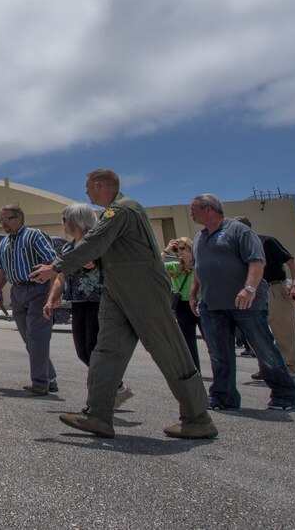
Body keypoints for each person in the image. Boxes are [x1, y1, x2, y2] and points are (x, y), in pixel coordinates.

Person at [31, 170, 215, 440]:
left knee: (169, 350)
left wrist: (56, 266)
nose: (86, 193)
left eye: (87, 187)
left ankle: (198, 418)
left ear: (97, 185)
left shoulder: (122, 210)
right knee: (105, 352)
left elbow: (94, 242)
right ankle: (98, 415)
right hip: (117, 289)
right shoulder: (116, 212)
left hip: (143, 288)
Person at [188, 195, 295, 412]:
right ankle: (223, 397)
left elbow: (257, 261)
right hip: (212, 305)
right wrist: (194, 294)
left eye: (194, 209)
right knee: (219, 354)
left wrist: (249, 288)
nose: (191, 213)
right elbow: (199, 269)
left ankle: (285, 395)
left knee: (264, 349)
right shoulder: (200, 237)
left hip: (245, 304)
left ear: (209, 209)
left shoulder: (239, 231)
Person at [43, 204, 133, 408]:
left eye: (65, 220)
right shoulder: (67, 248)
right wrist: (51, 299)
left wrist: (91, 261)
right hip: (78, 303)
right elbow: (60, 276)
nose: (63, 225)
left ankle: (103, 396)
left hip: (99, 302)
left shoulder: (97, 242)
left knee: (94, 349)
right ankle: (117, 387)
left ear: (76, 220)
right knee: (83, 352)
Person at [0, 203, 59, 396]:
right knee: (28, 338)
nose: (3, 223)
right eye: (1, 220)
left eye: (7, 219)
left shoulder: (34, 235)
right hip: (17, 291)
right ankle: (49, 378)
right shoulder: (3, 243)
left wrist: (54, 294)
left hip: (38, 289)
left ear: (19, 219)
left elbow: (54, 262)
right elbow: (3, 268)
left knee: (37, 336)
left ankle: (39, 382)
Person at [235, 217, 295, 381]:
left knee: (284, 333)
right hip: (251, 292)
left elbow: (291, 261)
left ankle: (290, 370)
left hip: (274, 288)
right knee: (256, 334)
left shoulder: (266, 241)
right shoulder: (235, 248)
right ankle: (266, 367)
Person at [164, 237, 202, 372]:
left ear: (190, 248)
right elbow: (155, 264)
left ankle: (220, 373)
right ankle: (195, 371)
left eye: (182, 248)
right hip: (182, 306)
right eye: (176, 249)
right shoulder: (175, 266)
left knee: (211, 341)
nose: (179, 252)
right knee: (188, 342)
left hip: (200, 304)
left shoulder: (199, 264)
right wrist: (167, 249)